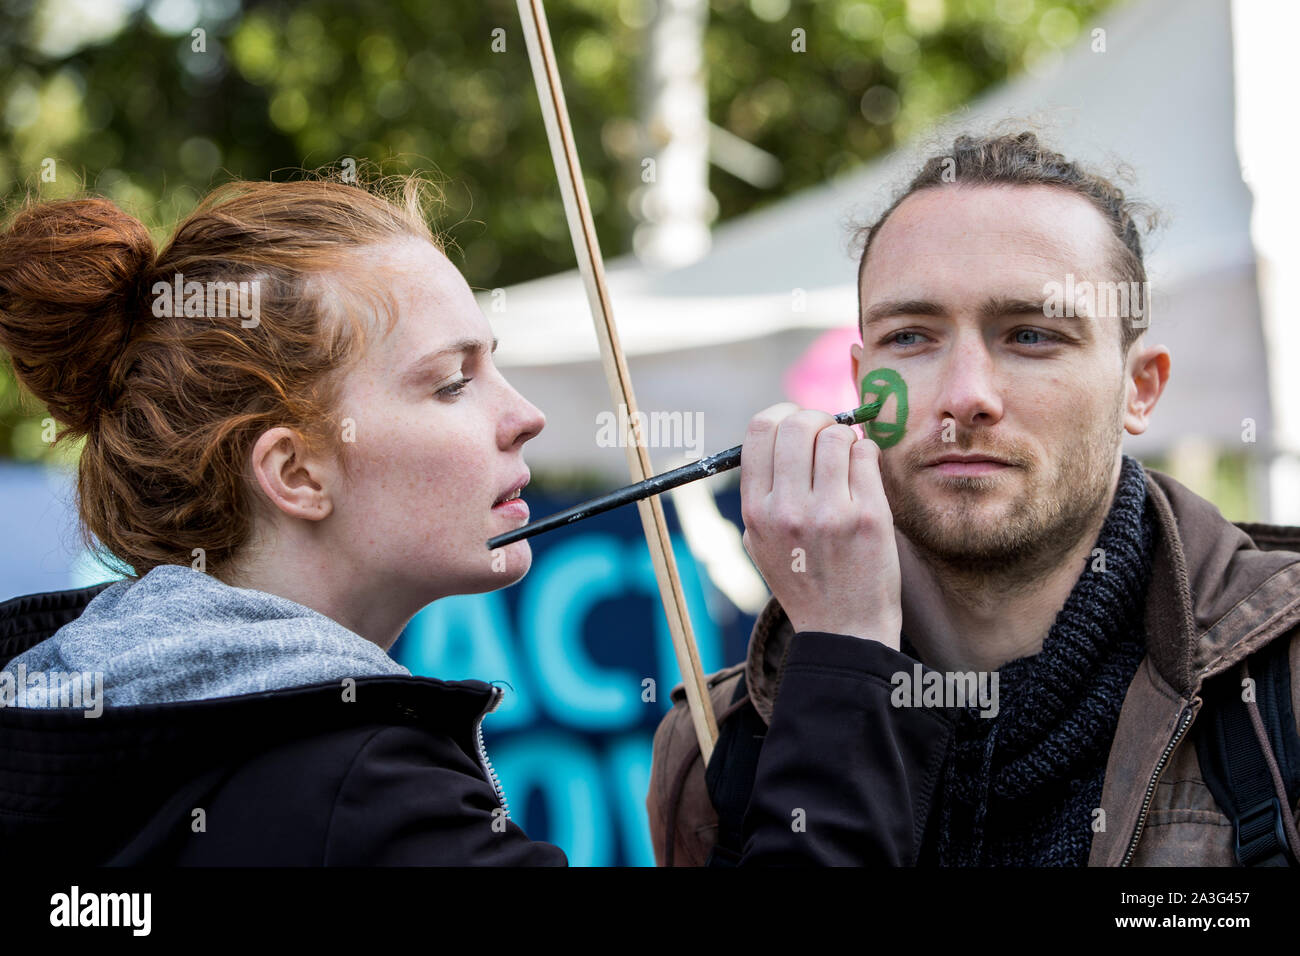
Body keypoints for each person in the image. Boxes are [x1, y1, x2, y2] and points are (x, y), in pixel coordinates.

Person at [0, 174, 949, 865]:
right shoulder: (352, 795)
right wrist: (844, 647)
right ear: (294, 471)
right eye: (452, 382)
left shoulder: (100, 722)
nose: (522, 413)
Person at [648, 130, 1300, 867]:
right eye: (913, 337)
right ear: (862, 382)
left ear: (1139, 387)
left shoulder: (1283, 685)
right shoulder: (719, 740)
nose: (965, 397)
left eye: (1030, 335)